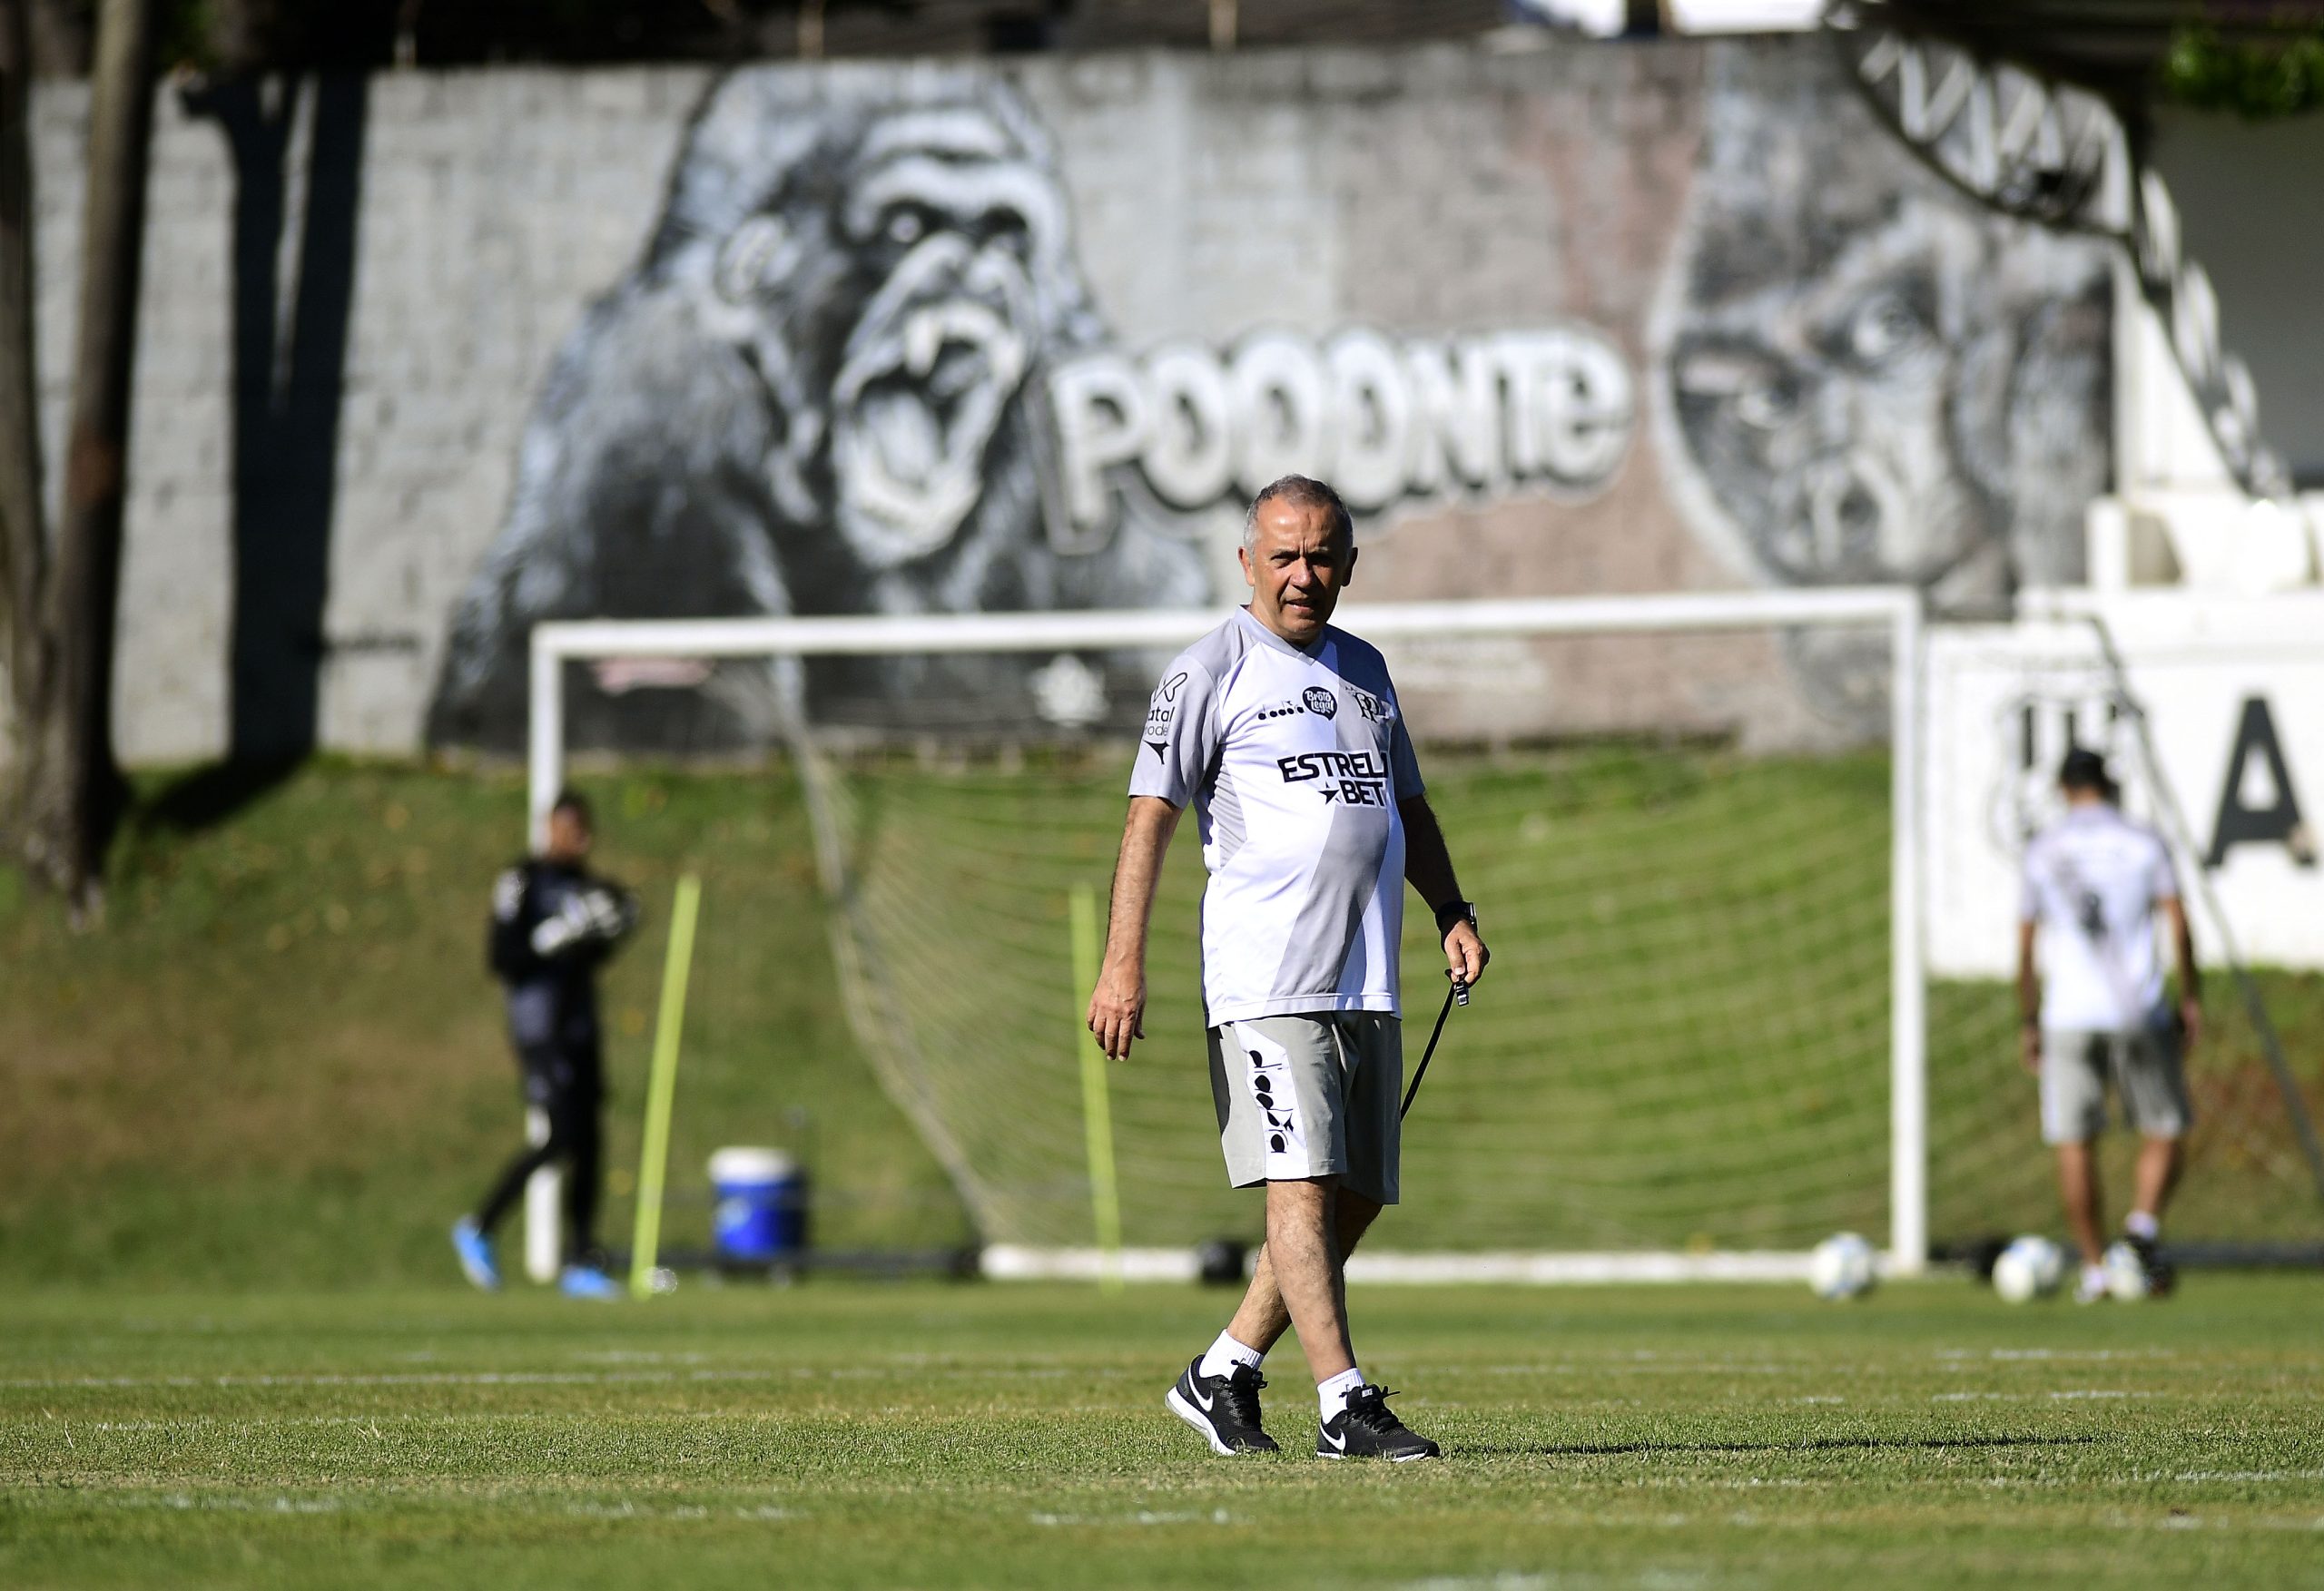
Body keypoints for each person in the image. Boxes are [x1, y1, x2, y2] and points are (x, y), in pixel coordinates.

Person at [1087, 474, 1490, 1460]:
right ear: (1246, 562)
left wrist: (1450, 907)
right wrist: (1120, 964)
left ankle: (1222, 1367)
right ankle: (1344, 1403)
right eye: (1284, 556)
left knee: (1352, 1194)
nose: (1302, 575)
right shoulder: (1208, 670)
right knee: (1300, 1186)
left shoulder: (1367, 671)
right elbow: (1150, 819)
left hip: (1366, 978)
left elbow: (1409, 810)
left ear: (1347, 565)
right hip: (1265, 979)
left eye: (1321, 557)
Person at [2017, 748, 2200, 1303]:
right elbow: (2178, 922)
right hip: (2137, 1008)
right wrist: (2190, 995)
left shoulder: (2044, 850)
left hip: (2068, 1013)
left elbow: (2024, 945)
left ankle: (2096, 1269)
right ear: (2108, 786)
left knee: (2074, 1139)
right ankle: (2140, 1230)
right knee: (2165, 1125)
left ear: (2063, 789)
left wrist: (2029, 1019)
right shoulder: (2142, 842)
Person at [452, 791, 638, 1298]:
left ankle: (581, 1259)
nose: (579, 837)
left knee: (591, 1142)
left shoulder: (586, 885)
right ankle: (480, 1226)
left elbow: (598, 948)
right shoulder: (522, 880)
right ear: (549, 827)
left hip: (581, 1027)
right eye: (569, 826)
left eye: (585, 827)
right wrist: (553, 935)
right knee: (560, 1136)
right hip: (540, 1029)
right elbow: (503, 956)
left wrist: (616, 927)